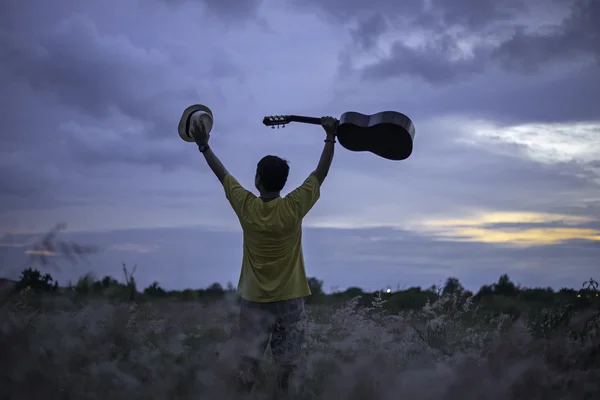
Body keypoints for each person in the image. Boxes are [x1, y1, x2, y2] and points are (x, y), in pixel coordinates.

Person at [189, 115, 338, 393]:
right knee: (288, 367)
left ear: (257, 180)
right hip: (291, 301)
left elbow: (222, 174)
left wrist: (204, 146)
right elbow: (321, 173)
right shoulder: (293, 206)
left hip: (254, 301)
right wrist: (330, 137)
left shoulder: (246, 206)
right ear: (283, 182)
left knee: (248, 366)